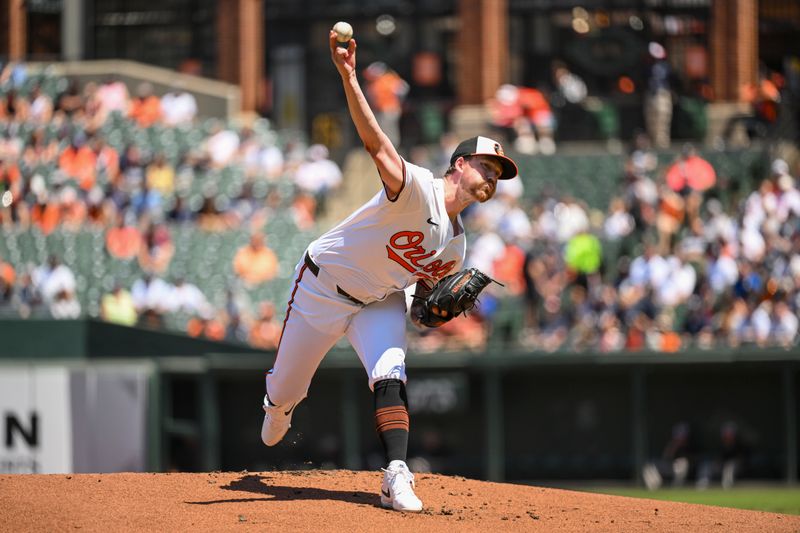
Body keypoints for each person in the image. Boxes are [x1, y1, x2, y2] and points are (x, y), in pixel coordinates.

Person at [259, 30, 519, 513]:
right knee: (283, 402)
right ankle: (277, 404)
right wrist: (350, 76)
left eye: (498, 174)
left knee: (391, 373)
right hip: (323, 286)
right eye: (487, 166)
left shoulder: (457, 247)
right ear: (459, 164)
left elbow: (421, 306)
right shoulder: (417, 187)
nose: (492, 178)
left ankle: (395, 474)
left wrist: (432, 313)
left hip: (377, 299)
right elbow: (375, 144)